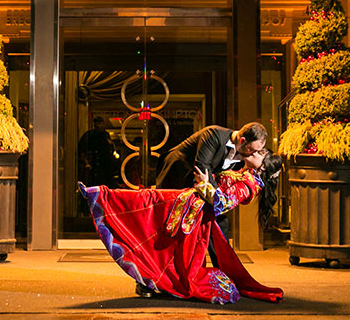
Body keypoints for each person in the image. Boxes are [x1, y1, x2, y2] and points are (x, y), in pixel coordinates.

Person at [78, 147, 282, 304]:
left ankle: (101, 195)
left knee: (148, 204)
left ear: (263, 167)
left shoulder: (249, 184)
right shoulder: (244, 173)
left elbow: (223, 203)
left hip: (194, 211)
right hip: (188, 204)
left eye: (261, 153)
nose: (256, 151)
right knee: (147, 204)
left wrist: (204, 183)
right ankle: (100, 195)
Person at [155, 122, 268, 249]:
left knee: (218, 222)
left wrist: (216, 195)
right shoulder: (213, 134)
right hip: (178, 176)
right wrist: (217, 195)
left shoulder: (242, 156)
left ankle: (222, 263)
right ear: (242, 140)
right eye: (251, 150)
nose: (252, 154)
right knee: (170, 225)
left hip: (202, 186)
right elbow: (202, 166)